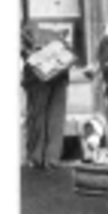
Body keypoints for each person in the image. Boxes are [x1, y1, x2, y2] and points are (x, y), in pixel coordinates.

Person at [21, 21, 71, 169]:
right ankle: (51, 158)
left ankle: (37, 157)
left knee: (38, 115)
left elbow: (24, 48)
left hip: (39, 74)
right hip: (58, 70)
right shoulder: (56, 24)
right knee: (55, 115)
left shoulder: (28, 20)